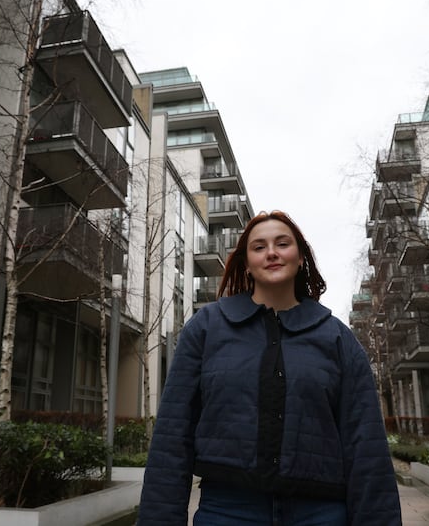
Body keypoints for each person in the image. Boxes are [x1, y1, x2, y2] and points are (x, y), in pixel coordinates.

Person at [137, 210, 401, 525]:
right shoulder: (205, 329)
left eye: (282, 243)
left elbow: (366, 444)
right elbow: (172, 434)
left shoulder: (337, 338)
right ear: (246, 264)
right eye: (259, 247)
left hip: (321, 514)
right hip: (227, 511)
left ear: (300, 257)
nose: (272, 252)